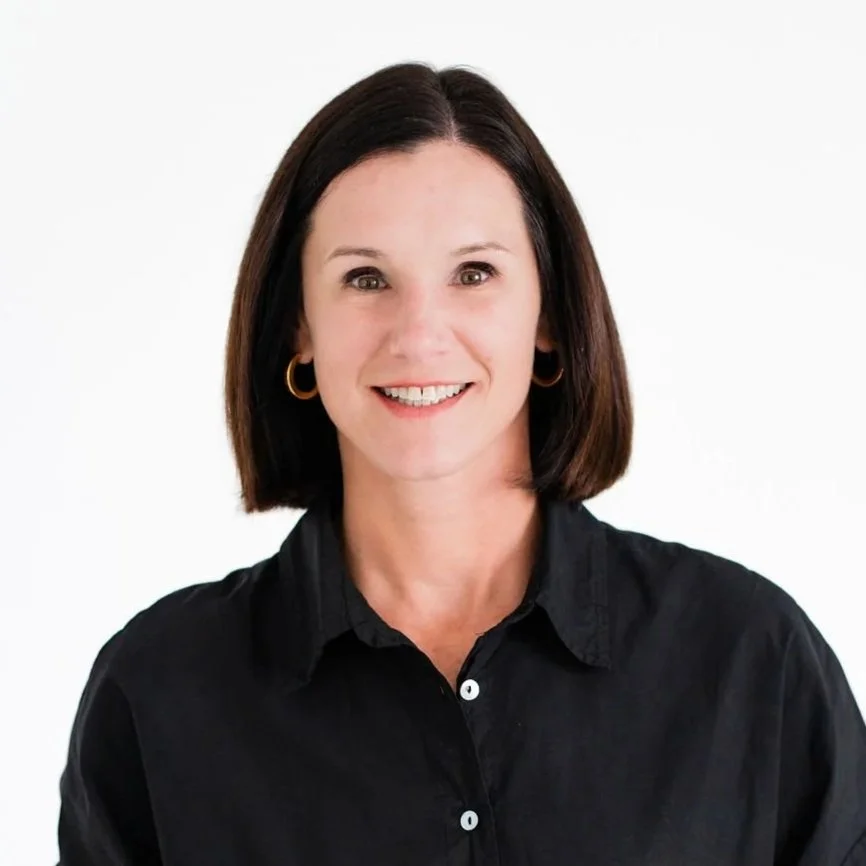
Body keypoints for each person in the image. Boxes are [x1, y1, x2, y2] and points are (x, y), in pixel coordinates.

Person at [56, 61, 866, 866]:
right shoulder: (161, 692)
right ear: (297, 328)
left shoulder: (749, 661)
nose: (420, 334)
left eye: (474, 273)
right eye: (365, 278)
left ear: (547, 314)